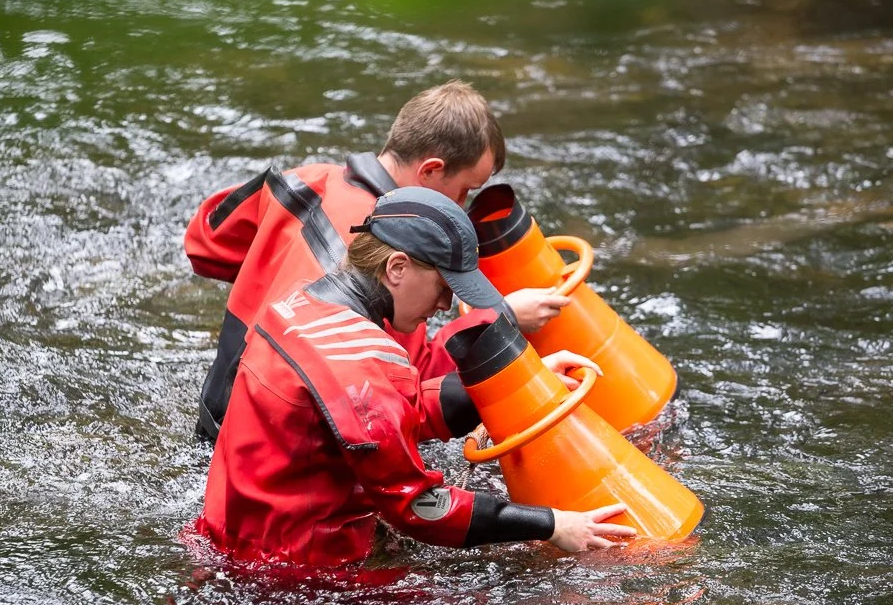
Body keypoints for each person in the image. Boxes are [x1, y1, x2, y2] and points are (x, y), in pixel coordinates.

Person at [195, 187, 635, 567]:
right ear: (397, 268)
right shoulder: (359, 361)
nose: (446, 303)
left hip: (228, 543)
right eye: (444, 285)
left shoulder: (302, 304)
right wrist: (552, 524)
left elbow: (391, 411)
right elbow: (420, 507)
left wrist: (518, 384)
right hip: (293, 581)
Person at [185, 81, 570, 441]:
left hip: (216, 412)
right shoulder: (390, 255)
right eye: (465, 191)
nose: (464, 208)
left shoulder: (304, 179)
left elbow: (205, 245)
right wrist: (502, 317)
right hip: (276, 439)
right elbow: (410, 388)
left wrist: (269, 272)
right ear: (431, 170)